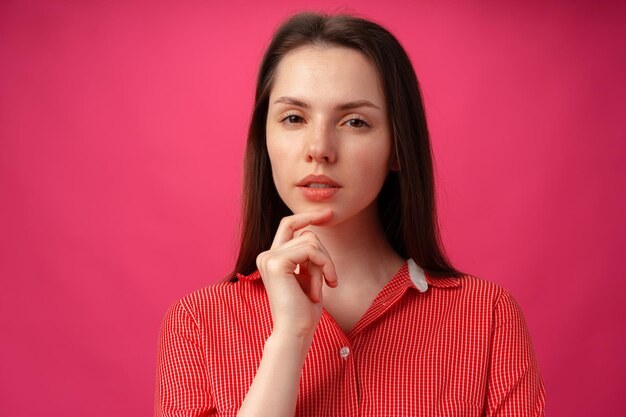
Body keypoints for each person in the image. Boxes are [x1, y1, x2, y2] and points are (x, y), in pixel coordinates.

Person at [154, 12, 545, 417]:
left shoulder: (488, 316)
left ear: (397, 146)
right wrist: (289, 338)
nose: (319, 148)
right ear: (263, 138)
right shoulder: (198, 323)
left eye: (355, 121)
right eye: (293, 118)